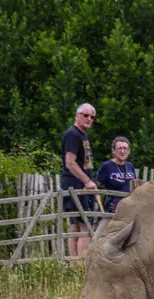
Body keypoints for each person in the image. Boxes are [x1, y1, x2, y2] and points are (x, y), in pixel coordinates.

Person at [60, 103, 97, 257]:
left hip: (76, 184)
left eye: (92, 117)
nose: (89, 118)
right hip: (75, 185)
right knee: (85, 226)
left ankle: (73, 263)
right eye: (85, 115)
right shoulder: (73, 134)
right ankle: (81, 265)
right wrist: (87, 180)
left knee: (75, 226)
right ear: (77, 115)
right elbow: (70, 162)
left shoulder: (82, 135)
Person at [95, 136, 137, 215]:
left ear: (129, 151)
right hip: (112, 209)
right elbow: (96, 185)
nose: (122, 151)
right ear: (113, 151)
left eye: (125, 148)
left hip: (129, 208)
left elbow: (134, 186)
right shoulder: (106, 166)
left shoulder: (130, 166)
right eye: (119, 148)